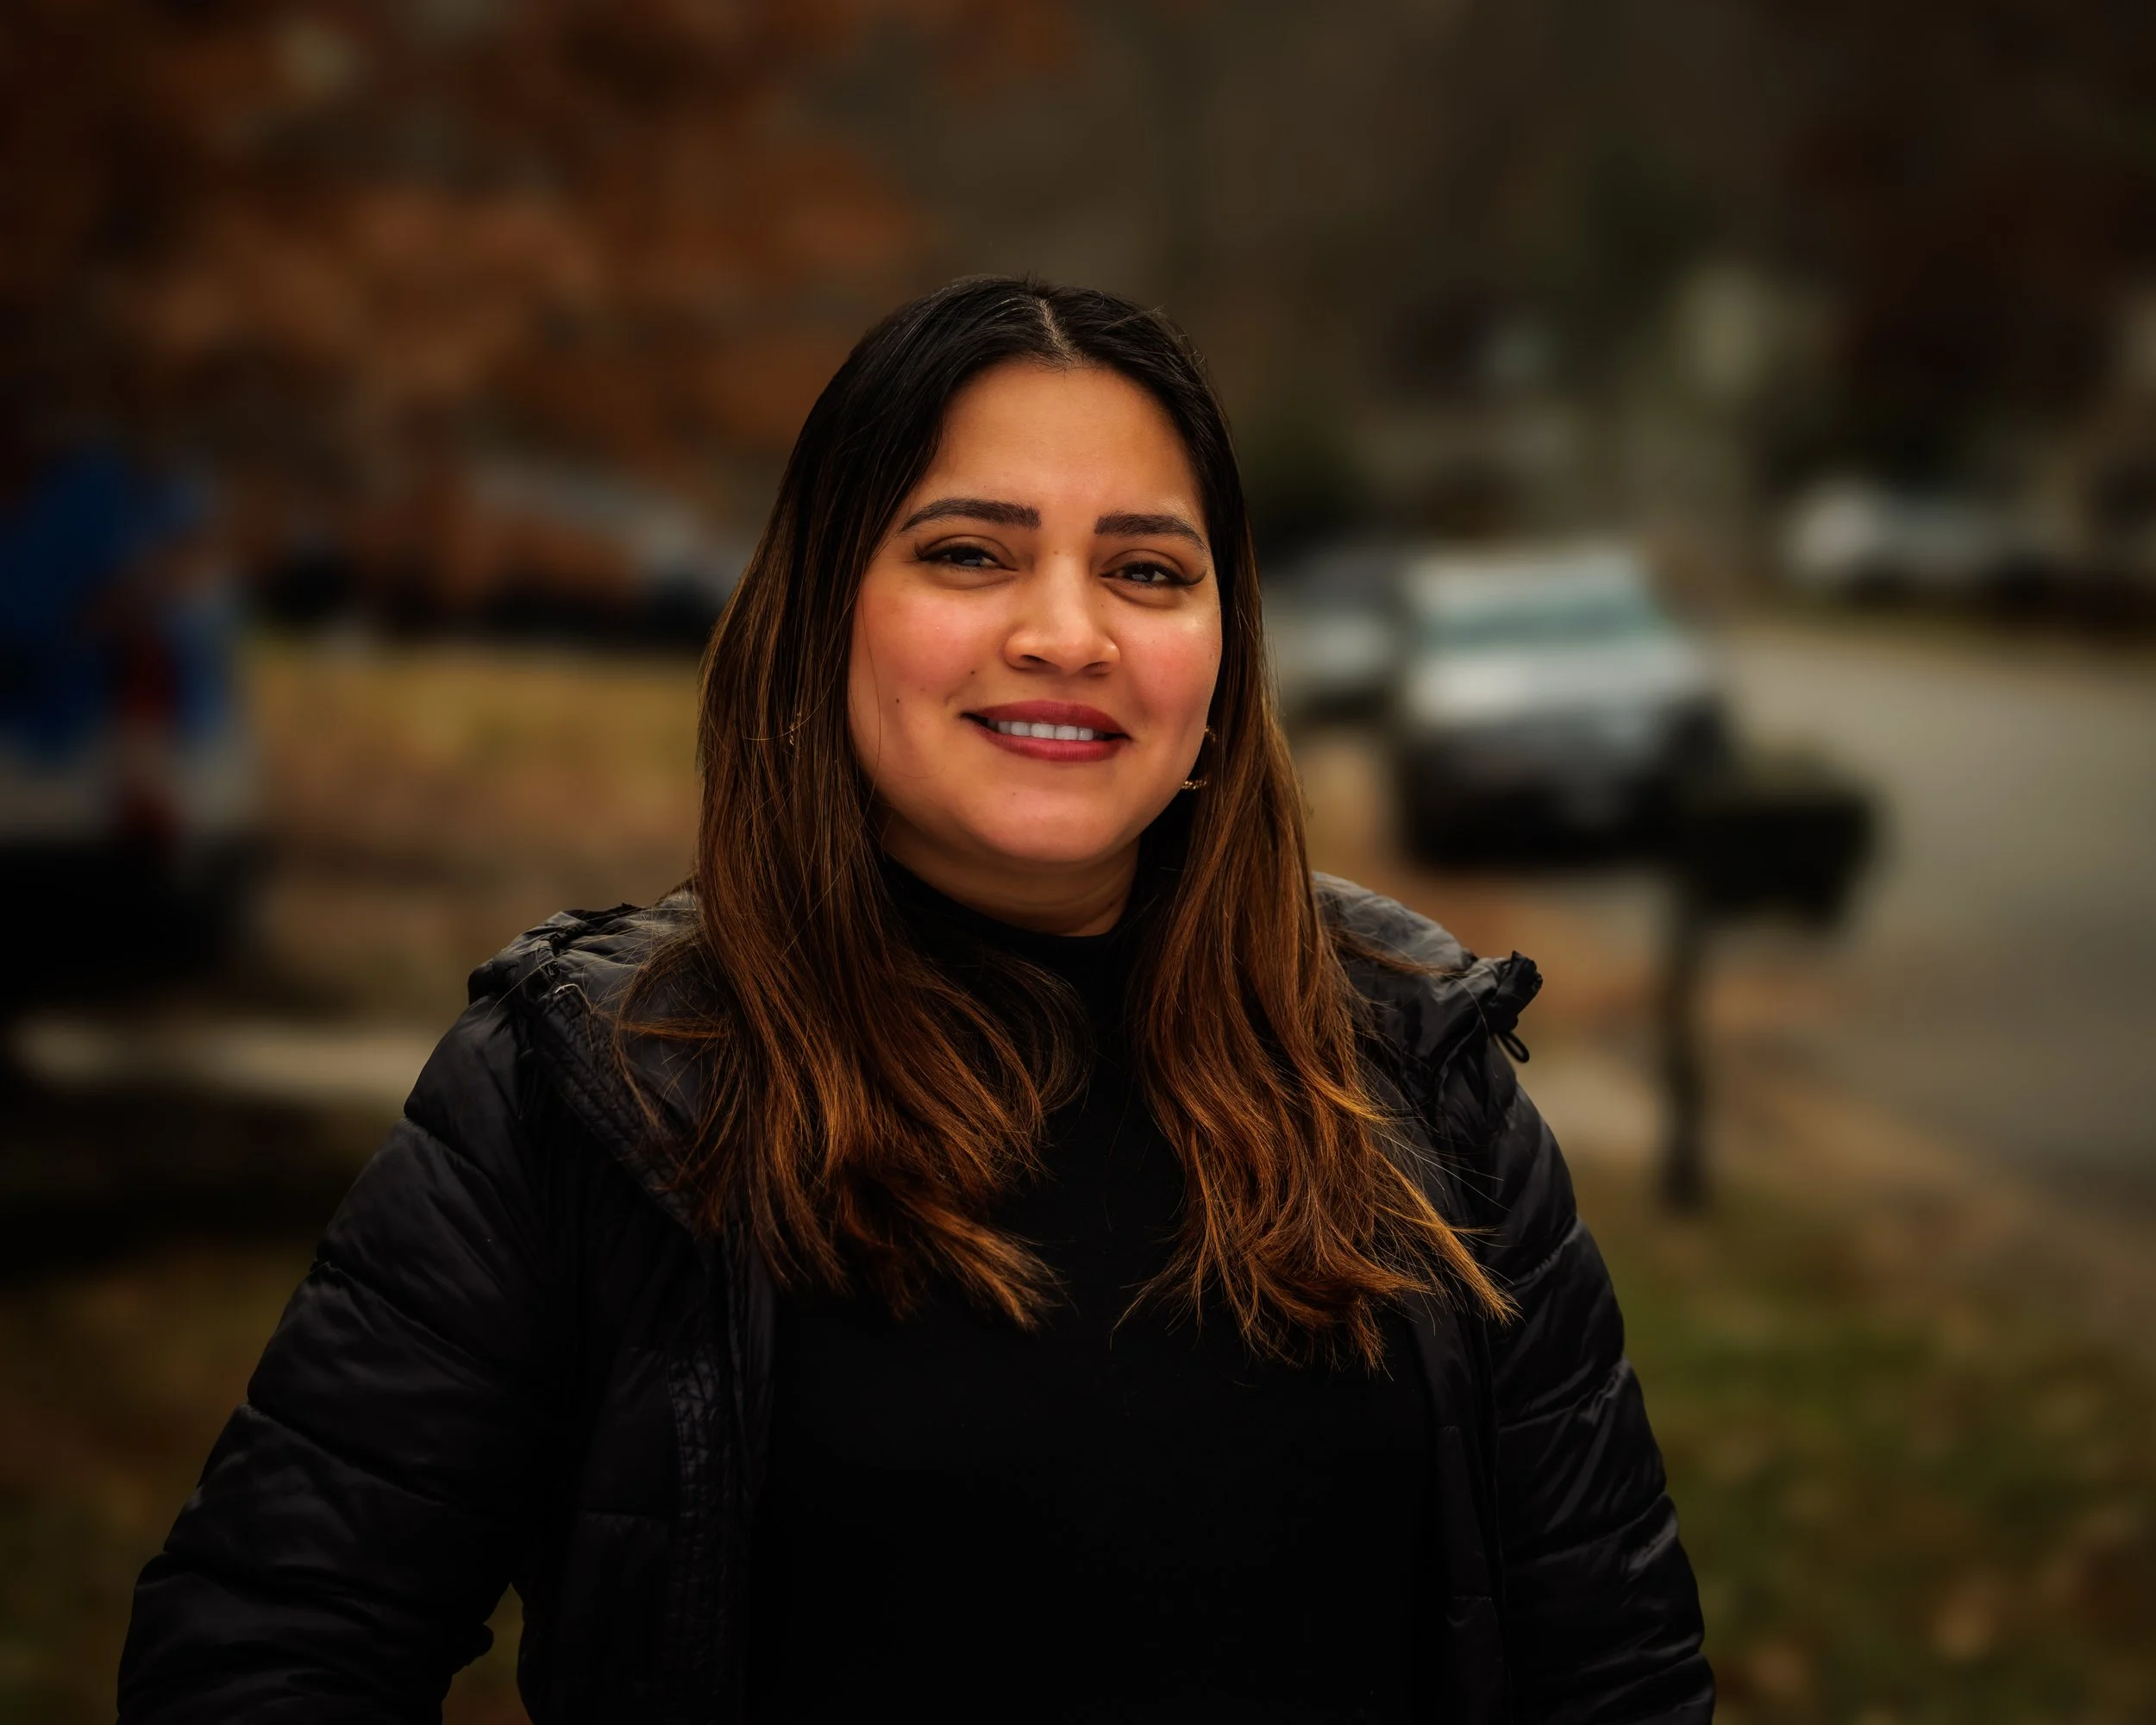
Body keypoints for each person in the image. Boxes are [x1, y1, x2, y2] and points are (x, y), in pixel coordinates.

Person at [118, 278, 1712, 1723]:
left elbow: (1621, 1679)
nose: (1067, 634)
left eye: (1148, 571)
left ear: (1223, 668)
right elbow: (262, 1657)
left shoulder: (1420, 1073)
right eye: (970, 552)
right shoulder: (590, 1093)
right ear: (823, 621)